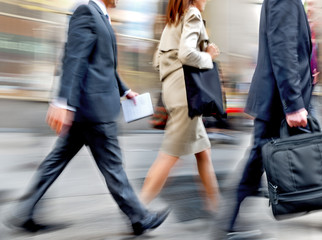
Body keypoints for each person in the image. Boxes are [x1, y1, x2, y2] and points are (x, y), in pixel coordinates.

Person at [8, 0, 169, 236]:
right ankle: (139, 218)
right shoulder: (86, 12)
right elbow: (74, 59)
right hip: (94, 110)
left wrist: (125, 90)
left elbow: (105, 65)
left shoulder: (101, 17)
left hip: (87, 111)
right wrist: (63, 102)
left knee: (55, 162)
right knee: (113, 166)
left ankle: (24, 212)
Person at [223, 0, 322, 235]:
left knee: (270, 156)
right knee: (265, 158)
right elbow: (283, 50)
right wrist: (293, 105)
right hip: (280, 101)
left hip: (280, 98)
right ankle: (228, 226)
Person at [139, 0, 220, 214]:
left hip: (174, 93)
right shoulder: (192, 14)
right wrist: (208, 57)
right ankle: (137, 210)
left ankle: (217, 210)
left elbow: (158, 59)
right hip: (187, 97)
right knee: (169, 155)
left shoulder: (174, 19)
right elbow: (186, 54)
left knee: (204, 154)